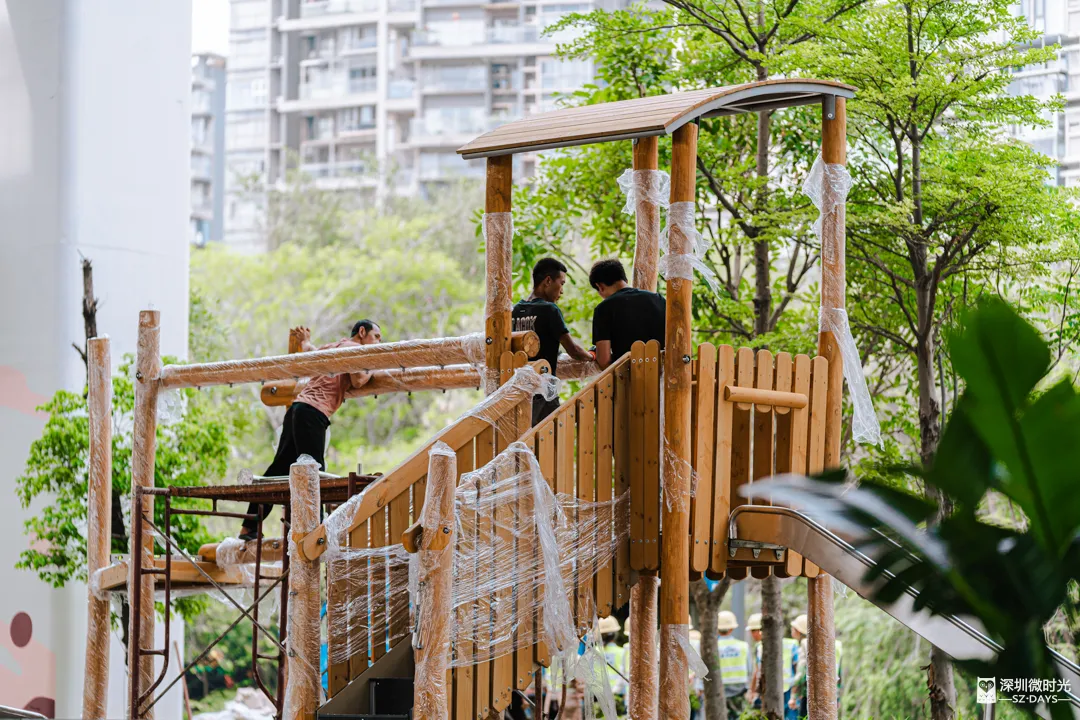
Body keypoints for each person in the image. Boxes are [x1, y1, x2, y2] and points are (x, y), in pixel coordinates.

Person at [239, 320, 382, 539]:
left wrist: (305, 341)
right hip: (313, 413)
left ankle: (249, 527)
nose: (378, 342)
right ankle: (316, 529)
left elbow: (309, 350)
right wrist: (375, 364)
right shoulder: (355, 349)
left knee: (278, 470)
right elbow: (359, 379)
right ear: (362, 332)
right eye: (376, 337)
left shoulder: (332, 347)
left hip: (296, 409)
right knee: (315, 471)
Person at [512, 258, 593, 425]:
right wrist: (592, 355)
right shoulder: (550, 310)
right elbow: (574, 351)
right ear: (548, 281)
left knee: (522, 440)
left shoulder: (514, 311)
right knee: (550, 443)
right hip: (543, 391)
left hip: (517, 390)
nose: (561, 291)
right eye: (561, 283)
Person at [588, 259, 666, 368]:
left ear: (600, 286)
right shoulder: (660, 300)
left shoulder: (603, 308)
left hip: (630, 378)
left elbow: (604, 360)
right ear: (625, 279)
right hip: (666, 375)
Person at [746, 612, 799, 715]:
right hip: (773, 690)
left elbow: (798, 669)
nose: (752, 634)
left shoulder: (791, 645)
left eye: (754, 631)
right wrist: (752, 691)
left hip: (787, 691)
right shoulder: (759, 647)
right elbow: (757, 671)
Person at [716, 611, 751, 715]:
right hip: (739, 688)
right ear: (732, 629)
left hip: (719, 688)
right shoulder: (743, 646)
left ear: (717, 629)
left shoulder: (713, 648)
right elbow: (749, 669)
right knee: (738, 716)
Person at [598, 616, 628, 717]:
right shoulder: (622, 652)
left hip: (597, 698)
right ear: (615, 634)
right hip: (617, 698)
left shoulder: (592, 653)